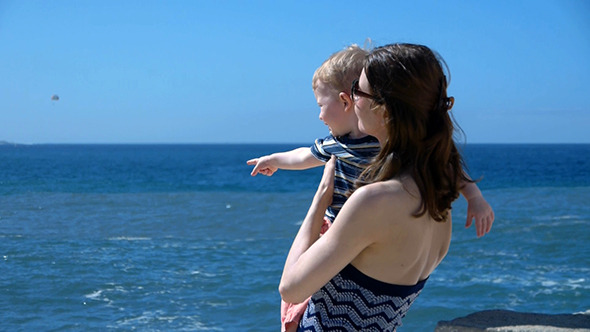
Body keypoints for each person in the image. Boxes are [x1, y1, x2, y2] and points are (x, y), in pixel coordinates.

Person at [248, 44, 494, 331]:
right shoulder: (437, 194)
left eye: (358, 90)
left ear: (385, 110)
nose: (351, 99)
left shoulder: (374, 201)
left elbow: (290, 288)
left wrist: (320, 199)